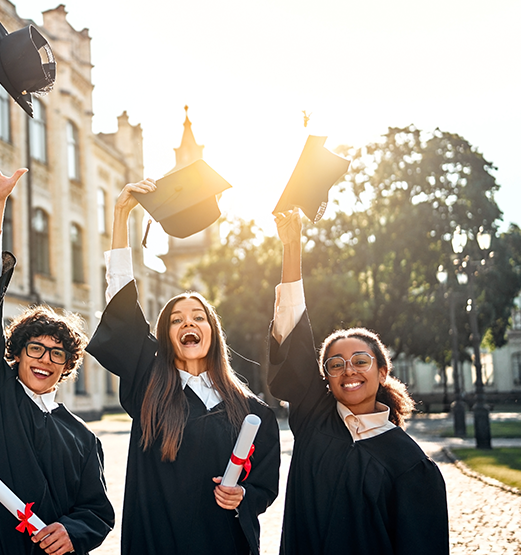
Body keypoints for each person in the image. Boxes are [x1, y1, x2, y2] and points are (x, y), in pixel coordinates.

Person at [86, 180, 280, 555]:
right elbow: (122, 308)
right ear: (166, 336)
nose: (188, 322)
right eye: (176, 319)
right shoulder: (149, 387)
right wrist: (121, 215)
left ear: (213, 332)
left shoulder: (251, 412)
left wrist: (242, 495)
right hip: (159, 545)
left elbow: (263, 486)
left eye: (198, 317)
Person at [0, 147, 115, 555]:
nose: (45, 359)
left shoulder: (83, 439)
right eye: (36, 348)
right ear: (17, 353)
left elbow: (96, 512)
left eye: (57, 354)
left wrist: (72, 531)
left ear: (68, 366)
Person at [267, 208, 449, 554]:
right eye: (336, 364)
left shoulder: (408, 462)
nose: (349, 370)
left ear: (382, 372)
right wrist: (292, 247)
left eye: (361, 361)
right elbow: (292, 329)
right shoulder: (313, 418)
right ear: (325, 378)